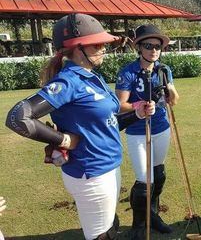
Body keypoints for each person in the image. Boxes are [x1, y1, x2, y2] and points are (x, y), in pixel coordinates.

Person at [5, 13, 155, 240]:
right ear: (78, 48)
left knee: (109, 227)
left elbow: (108, 123)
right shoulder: (68, 82)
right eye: (97, 43)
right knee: (100, 236)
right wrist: (63, 140)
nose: (104, 47)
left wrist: (136, 114)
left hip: (108, 166)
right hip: (91, 172)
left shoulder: (92, 77)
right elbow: (18, 117)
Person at [115, 24, 179, 237]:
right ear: (139, 47)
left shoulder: (164, 70)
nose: (154, 50)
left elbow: (174, 100)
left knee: (158, 174)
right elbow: (119, 104)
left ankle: (153, 216)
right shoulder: (128, 72)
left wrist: (170, 90)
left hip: (161, 128)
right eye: (148, 45)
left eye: (158, 46)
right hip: (137, 132)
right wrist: (138, 106)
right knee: (145, 178)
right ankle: (138, 224)